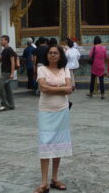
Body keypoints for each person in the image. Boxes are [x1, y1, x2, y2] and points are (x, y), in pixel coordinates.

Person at [35, 44, 73, 193]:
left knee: (58, 144)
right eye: (50, 53)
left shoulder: (65, 69)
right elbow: (43, 88)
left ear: (60, 55)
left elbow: (69, 88)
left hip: (62, 111)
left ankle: (55, 178)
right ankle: (43, 182)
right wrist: (61, 88)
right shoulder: (41, 69)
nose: (52, 55)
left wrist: (54, 87)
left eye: (55, 53)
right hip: (46, 111)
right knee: (45, 143)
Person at [0, 35, 17, 111]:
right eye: (1, 40)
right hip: (4, 72)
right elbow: (0, 60)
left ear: (6, 41)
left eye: (2, 40)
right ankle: (11, 105)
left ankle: (4, 104)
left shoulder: (9, 50)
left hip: (7, 73)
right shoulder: (4, 50)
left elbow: (13, 62)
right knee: (8, 89)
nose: (1, 41)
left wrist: (12, 73)